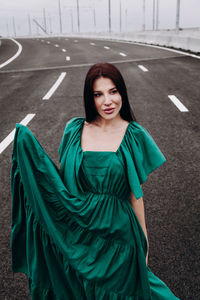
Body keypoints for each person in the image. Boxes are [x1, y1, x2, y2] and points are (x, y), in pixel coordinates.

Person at [11, 62, 180, 299]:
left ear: (122, 93)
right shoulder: (74, 130)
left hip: (119, 236)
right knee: (81, 289)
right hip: (81, 230)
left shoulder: (133, 135)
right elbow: (63, 182)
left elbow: (135, 194)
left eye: (113, 92)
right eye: (98, 95)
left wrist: (145, 243)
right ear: (90, 99)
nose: (107, 101)